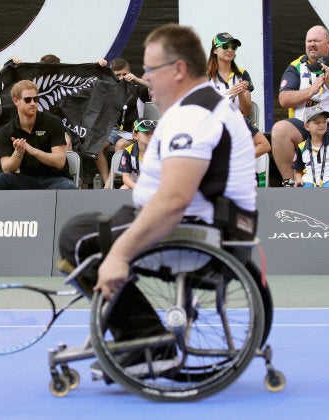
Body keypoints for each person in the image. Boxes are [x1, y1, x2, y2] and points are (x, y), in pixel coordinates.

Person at [58, 23, 257, 374]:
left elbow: (174, 199)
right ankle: (137, 333)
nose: (146, 79)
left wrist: (118, 256)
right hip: (211, 225)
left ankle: (147, 343)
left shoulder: (194, 115)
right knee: (97, 226)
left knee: (77, 236)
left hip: (197, 232)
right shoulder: (201, 105)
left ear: (178, 70)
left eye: (151, 70)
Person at [271, 25, 329, 186]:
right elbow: (284, 99)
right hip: (303, 123)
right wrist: (310, 91)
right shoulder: (296, 66)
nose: (312, 44)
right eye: (309, 41)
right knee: (279, 129)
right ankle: (290, 182)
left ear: (328, 43)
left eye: (317, 41)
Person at [0, 80, 77, 190]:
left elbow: (59, 161)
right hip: (26, 179)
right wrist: (18, 153)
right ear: (16, 101)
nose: (33, 103)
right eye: (28, 100)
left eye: (36, 99)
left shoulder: (53, 122)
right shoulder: (7, 130)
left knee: (69, 187)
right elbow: (7, 168)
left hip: (55, 179)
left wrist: (33, 151)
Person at [207, 32, 271, 159]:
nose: (230, 50)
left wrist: (240, 94)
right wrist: (230, 94)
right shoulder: (205, 75)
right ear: (215, 50)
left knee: (264, 144)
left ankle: (236, 162)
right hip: (212, 123)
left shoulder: (242, 74)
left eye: (233, 47)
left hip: (237, 121)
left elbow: (246, 110)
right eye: (225, 46)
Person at [95, 57, 151, 185]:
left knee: (120, 144)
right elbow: (92, 85)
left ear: (130, 72)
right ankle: (106, 180)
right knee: (96, 146)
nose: (121, 77)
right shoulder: (109, 88)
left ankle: (111, 183)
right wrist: (99, 69)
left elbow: (156, 88)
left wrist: (137, 79)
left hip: (132, 131)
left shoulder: (138, 89)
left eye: (125, 74)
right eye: (117, 75)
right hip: (113, 129)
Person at [292, 106, 329, 187]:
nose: (322, 125)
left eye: (324, 121)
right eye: (317, 123)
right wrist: (298, 179)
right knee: (304, 193)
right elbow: (298, 171)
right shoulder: (301, 147)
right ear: (307, 126)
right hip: (308, 181)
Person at [117, 118, 155, 189]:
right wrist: (139, 188)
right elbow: (125, 178)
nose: (151, 135)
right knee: (124, 188)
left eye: (153, 132)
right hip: (137, 185)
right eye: (146, 133)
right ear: (135, 136)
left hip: (156, 186)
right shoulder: (128, 151)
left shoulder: (161, 150)